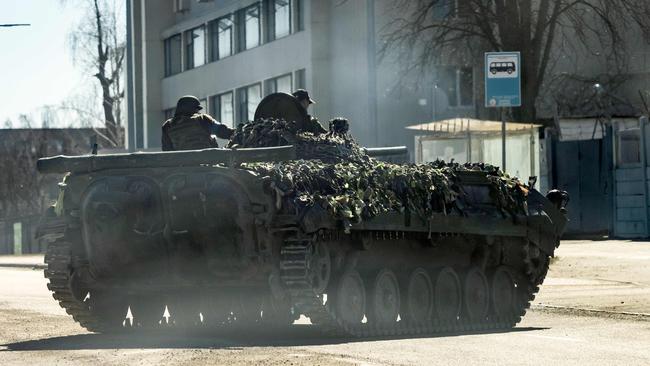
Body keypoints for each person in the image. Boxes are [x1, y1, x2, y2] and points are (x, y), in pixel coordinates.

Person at [162, 96, 234, 151]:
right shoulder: (202, 119)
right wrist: (236, 133)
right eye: (196, 109)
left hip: (181, 167)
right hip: (207, 165)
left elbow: (167, 150)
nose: (198, 112)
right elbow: (222, 131)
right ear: (191, 108)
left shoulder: (167, 125)